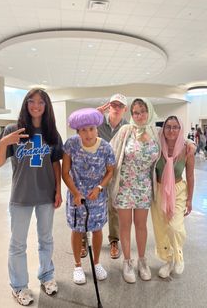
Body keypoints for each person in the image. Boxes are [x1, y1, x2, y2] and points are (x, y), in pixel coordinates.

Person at [0, 88, 63, 306]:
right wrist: (5, 141)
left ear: (46, 106)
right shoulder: (15, 130)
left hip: (45, 195)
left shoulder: (51, 132)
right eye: (31, 101)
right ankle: (19, 285)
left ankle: (46, 276)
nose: (36, 106)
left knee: (46, 239)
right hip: (21, 196)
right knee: (18, 244)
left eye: (41, 102)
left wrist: (58, 190)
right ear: (25, 104)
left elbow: (55, 162)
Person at [62, 108, 115, 285]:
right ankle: (77, 265)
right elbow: (65, 172)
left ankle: (97, 263)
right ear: (77, 132)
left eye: (91, 128)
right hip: (76, 196)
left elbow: (110, 171)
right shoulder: (71, 145)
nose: (88, 133)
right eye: (83, 130)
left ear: (97, 128)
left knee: (97, 229)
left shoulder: (106, 147)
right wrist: (76, 192)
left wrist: (99, 187)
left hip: (97, 197)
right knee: (77, 230)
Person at [109, 98, 160, 283]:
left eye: (142, 111)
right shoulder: (126, 130)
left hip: (144, 186)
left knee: (141, 225)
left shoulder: (156, 132)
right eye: (135, 112)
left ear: (149, 111)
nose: (139, 116)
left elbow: (175, 137)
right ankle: (127, 261)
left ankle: (142, 261)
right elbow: (110, 149)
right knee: (125, 225)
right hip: (124, 186)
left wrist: (190, 143)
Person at [80, 93, 128, 260]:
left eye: (119, 106)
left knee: (114, 207)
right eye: (113, 104)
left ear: (125, 109)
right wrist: (93, 115)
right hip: (94, 172)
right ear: (109, 106)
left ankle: (114, 240)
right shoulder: (98, 122)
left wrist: (187, 142)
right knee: (88, 205)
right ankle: (83, 239)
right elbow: (80, 129)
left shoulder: (127, 127)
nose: (116, 108)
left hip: (116, 172)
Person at [151, 116, 195, 279]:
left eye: (175, 127)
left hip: (178, 190)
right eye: (168, 127)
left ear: (180, 129)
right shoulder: (156, 146)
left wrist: (190, 199)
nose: (171, 130)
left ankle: (178, 255)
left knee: (175, 227)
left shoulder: (187, 149)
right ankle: (167, 261)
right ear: (163, 129)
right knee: (161, 228)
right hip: (158, 190)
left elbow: (190, 176)